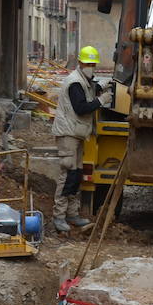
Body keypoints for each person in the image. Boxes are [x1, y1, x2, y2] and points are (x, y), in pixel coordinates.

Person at [51, 46, 110, 233]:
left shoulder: (84, 81)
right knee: (68, 175)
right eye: (88, 64)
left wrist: (102, 87)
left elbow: (89, 91)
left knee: (76, 176)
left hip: (76, 133)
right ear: (80, 63)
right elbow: (81, 107)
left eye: (93, 64)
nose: (91, 67)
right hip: (68, 134)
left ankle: (72, 214)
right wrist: (102, 100)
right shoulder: (74, 83)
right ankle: (59, 216)